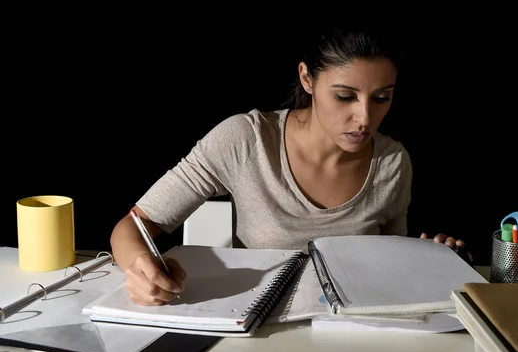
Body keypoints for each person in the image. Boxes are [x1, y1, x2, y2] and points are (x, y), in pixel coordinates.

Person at [110, 27, 472, 306]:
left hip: (351, 333)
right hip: (257, 322)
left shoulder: (392, 162)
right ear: (307, 78)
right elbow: (135, 225)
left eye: (382, 98)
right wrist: (141, 269)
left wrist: (430, 259)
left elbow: (389, 265)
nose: (364, 117)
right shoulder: (246, 140)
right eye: (345, 96)